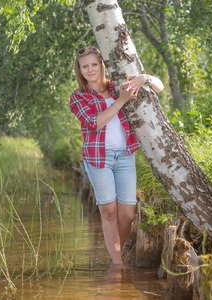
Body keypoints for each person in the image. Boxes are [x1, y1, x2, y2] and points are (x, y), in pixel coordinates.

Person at [69, 46, 164, 265]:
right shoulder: (78, 97)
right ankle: (118, 266)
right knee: (109, 211)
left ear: (102, 65)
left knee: (128, 215)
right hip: (98, 158)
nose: (91, 70)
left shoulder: (116, 87)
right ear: (80, 71)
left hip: (124, 156)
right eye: (85, 66)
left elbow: (159, 87)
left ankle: (114, 257)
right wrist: (120, 101)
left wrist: (143, 78)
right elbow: (94, 123)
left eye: (94, 64)